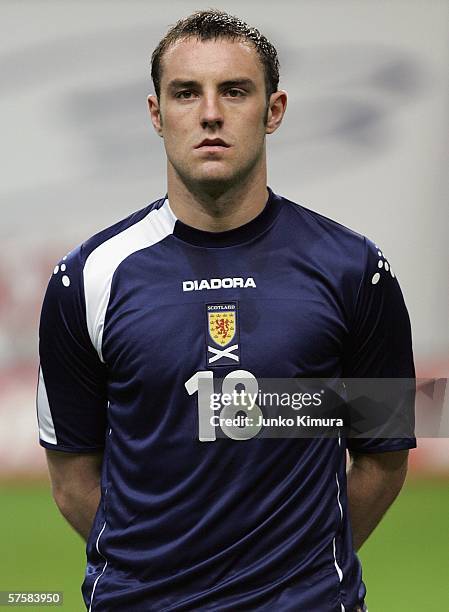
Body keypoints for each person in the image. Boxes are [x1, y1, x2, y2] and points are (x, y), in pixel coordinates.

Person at [36, 9, 415, 612]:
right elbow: (72, 475)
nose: (210, 113)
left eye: (234, 91)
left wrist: (297, 575)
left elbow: (383, 457)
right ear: (157, 115)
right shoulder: (85, 277)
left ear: (274, 110)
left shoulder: (355, 271)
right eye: (186, 93)